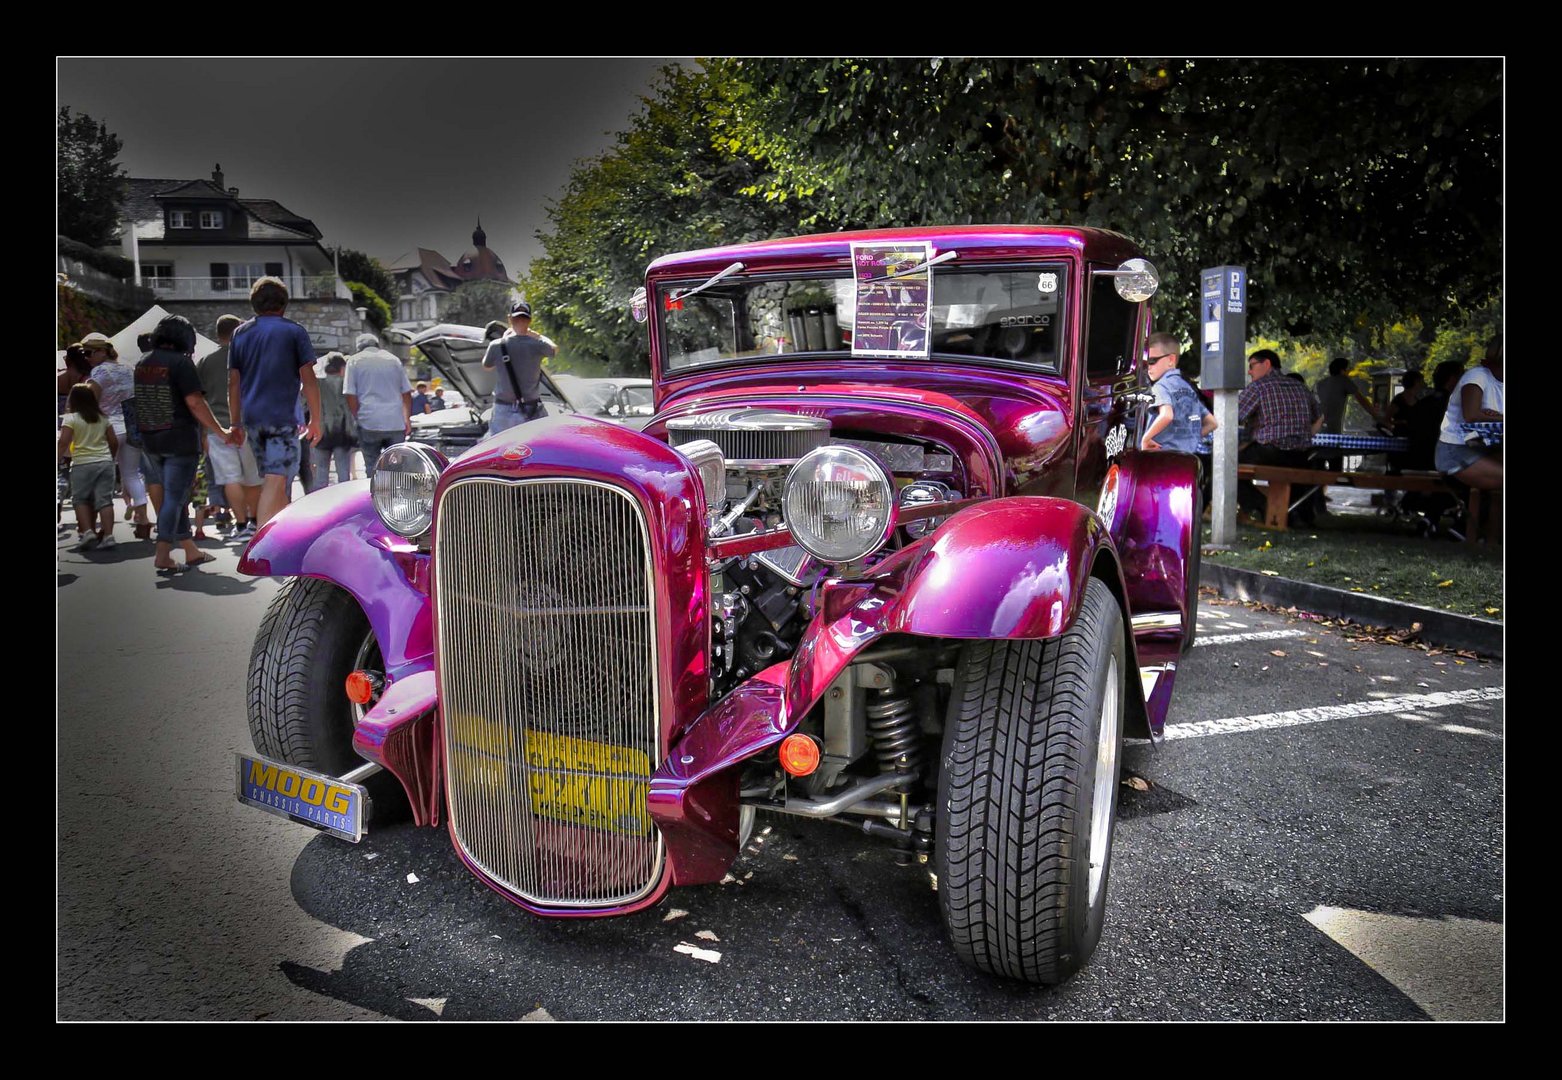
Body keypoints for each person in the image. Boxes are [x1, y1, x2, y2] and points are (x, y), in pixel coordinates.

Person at [136, 314, 235, 573]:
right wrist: (221, 431)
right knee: (175, 497)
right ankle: (163, 554)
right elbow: (195, 403)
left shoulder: (143, 362)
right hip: (179, 440)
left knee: (174, 496)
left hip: (151, 439)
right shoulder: (181, 364)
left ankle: (191, 551)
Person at [228, 276, 321, 530]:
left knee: (276, 481)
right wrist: (316, 420)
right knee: (276, 480)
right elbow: (309, 380)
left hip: (252, 419)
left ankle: (280, 536)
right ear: (284, 304)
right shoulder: (294, 331)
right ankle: (261, 544)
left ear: (254, 304)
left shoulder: (240, 334)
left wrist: (235, 422)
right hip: (282, 417)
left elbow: (233, 383)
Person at [80, 331, 153, 540]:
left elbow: (90, 404)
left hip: (107, 428)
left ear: (102, 352)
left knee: (101, 477)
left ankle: (102, 527)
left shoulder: (99, 373)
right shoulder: (128, 369)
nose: (86, 357)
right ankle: (143, 520)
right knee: (131, 475)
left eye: (89, 352)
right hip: (131, 427)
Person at [1237, 348, 1320, 526]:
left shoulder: (1259, 387)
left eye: (1252, 366)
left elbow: (1233, 416)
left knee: (1224, 467)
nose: (1249, 371)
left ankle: (1261, 505)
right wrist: (1306, 435)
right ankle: (1297, 515)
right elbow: (1319, 416)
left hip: (1270, 452)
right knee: (1297, 477)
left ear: (1267, 364)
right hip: (1301, 455)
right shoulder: (1300, 386)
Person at [197, 314, 262, 540]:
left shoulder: (205, 361)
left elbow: (198, 399)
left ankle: (241, 524)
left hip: (218, 429)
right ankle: (254, 521)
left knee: (230, 478)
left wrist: (205, 431)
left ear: (218, 333)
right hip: (249, 425)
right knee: (252, 478)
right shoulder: (250, 357)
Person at [1140, 333, 1218, 507]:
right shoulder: (1187, 387)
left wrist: (1146, 438)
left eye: (1152, 361)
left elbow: (1167, 415)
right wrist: (1188, 437)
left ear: (1171, 360)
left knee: (1154, 505)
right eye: (1145, 363)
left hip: (1161, 459)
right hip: (1186, 459)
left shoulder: (1160, 387)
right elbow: (1212, 423)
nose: (1148, 368)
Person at [57, 383, 120, 551]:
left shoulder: (71, 419)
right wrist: (111, 458)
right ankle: (108, 536)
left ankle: (87, 532)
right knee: (105, 501)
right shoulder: (103, 418)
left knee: (80, 499)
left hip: (82, 464)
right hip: (105, 463)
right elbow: (113, 442)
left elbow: (63, 442)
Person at [1436, 335, 1503, 491]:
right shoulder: (1478, 376)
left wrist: (1495, 416)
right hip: (1456, 450)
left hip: (1484, 446)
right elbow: (1471, 415)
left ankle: (1483, 513)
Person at [482, 300, 557, 435]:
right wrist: (537, 335)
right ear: (530, 320)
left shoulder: (496, 345)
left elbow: (486, 367)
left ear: (510, 319)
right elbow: (554, 349)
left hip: (503, 409)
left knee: (500, 449)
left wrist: (504, 340)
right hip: (531, 409)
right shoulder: (538, 345)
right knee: (534, 448)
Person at [344, 332, 412, 480]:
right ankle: (397, 497)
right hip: (395, 422)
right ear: (377, 345)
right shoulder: (394, 360)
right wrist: (407, 419)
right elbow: (406, 393)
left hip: (369, 421)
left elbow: (350, 394)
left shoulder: (354, 361)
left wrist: (357, 416)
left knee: (372, 466)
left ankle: (374, 498)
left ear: (359, 348)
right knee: (397, 467)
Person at [309, 352, 357, 491]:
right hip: (343, 432)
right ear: (342, 368)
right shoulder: (346, 384)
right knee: (343, 473)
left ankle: (322, 504)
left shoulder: (318, 384)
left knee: (321, 474)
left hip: (321, 432)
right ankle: (344, 504)